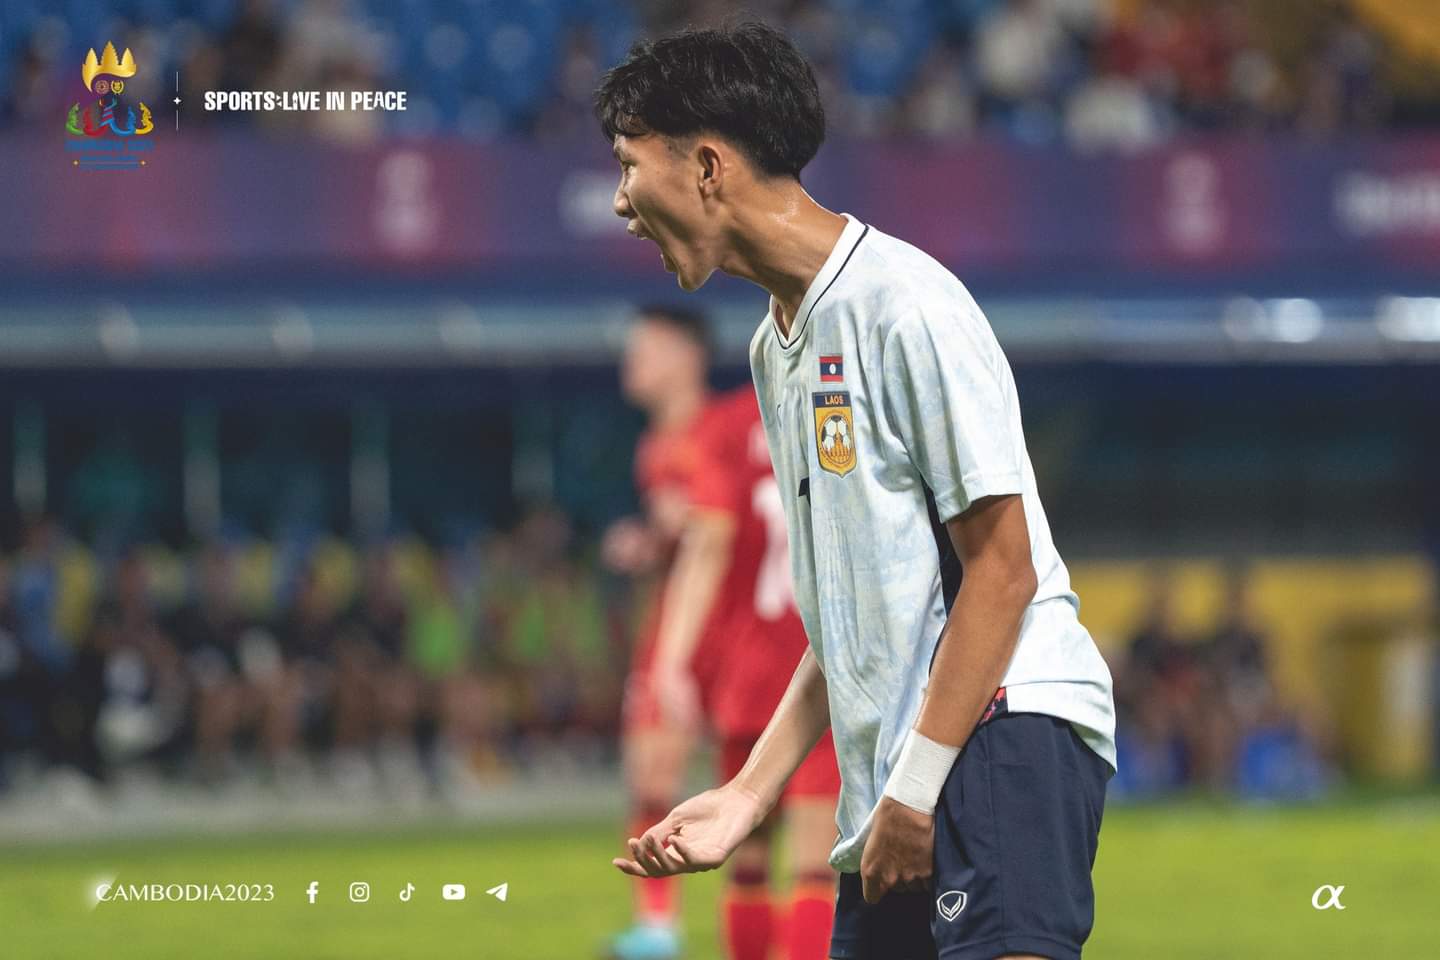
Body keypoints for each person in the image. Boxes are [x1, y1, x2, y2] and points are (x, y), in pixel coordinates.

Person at [597, 22, 1117, 960]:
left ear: (707, 166)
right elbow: (852, 615)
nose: (621, 202)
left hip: (1000, 729)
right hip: (905, 766)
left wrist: (914, 791)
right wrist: (747, 795)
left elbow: (1003, 571)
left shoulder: (905, 306)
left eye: (630, 166)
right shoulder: (776, 346)